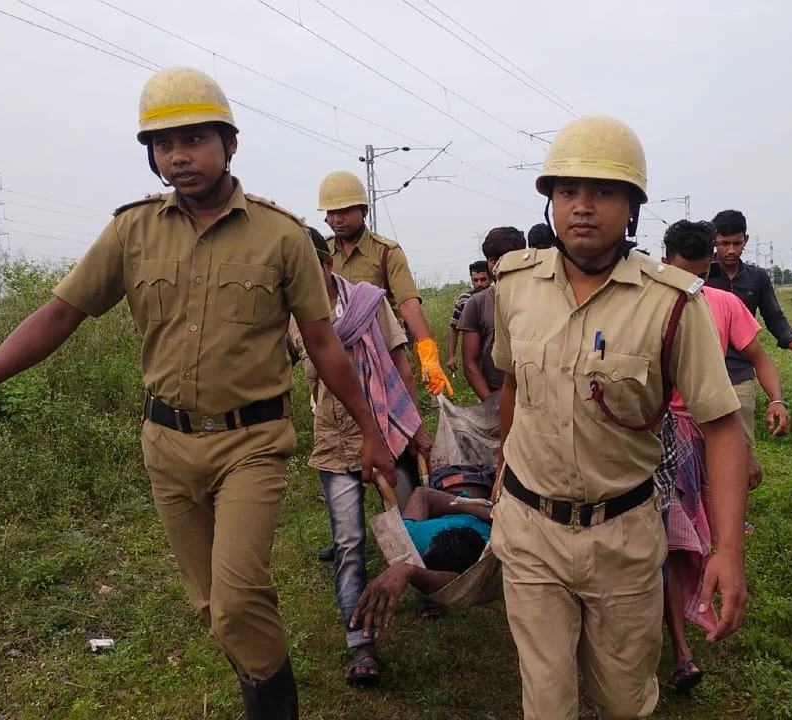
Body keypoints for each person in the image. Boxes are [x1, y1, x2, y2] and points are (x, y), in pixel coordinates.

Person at [0, 67, 396, 720]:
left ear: (231, 144)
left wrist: (371, 432)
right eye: (163, 143)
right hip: (166, 448)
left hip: (251, 445)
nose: (178, 155)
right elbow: (62, 313)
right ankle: (260, 671)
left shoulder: (281, 236)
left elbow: (322, 345)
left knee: (235, 602)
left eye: (195, 138)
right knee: (217, 611)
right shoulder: (131, 232)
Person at [491, 115, 751, 719]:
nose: (582, 207)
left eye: (604, 191)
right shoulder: (514, 285)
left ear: (632, 208)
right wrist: (503, 464)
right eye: (567, 191)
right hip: (531, 531)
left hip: (624, 536)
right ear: (551, 202)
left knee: (623, 702)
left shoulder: (672, 305)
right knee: (546, 704)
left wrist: (728, 549)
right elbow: (511, 386)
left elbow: (721, 426)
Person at [285, 233, 431, 686]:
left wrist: (416, 426)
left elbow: (400, 364)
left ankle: (429, 587)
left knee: (411, 522)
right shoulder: (290, 318)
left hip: (389, 431)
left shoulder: (369, 302)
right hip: (335, 439)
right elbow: (272, 369)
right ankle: (361, 645)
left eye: (308, 266)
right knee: (348, 543)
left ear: (327, 263)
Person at [654, 219, 792, 693]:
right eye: (682, 276)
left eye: (698, 276)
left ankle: (687, 634)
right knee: (670, 544)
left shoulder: (724, 303)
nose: (690, 287)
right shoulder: (644, 304)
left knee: (695, 544)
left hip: (707, 434)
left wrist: (775, 400)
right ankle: (679, 648)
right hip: (655, 439)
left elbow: (760, 357)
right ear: (665, 260)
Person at [316, 170, 452, 397]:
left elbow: (408, 303)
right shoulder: (321, 254)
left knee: (401, 420)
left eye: (345, 211)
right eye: (331, 213)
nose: (337, 219)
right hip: (337, 354)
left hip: (385, 354)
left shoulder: (386, 252)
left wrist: (428, 354)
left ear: (364, 211)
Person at [704, 211, 792, 425]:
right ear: (714, 241)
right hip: (702, 372)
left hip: (740, 371)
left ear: (746, 240)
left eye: (737, 243)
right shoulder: (702, 273)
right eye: (724, 243)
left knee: (739, 444)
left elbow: (774, 317)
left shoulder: (756, 277)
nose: (731, 250)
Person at [348, 486, 493, 634]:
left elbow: (422, 493)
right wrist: (489, 514)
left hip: (470, 498)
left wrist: (408, 571)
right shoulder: (416, 537)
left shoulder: (412, 537)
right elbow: (423, 493)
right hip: (464, 496)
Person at [457, 227, 525, 400]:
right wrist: (492, 404)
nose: (501, 264)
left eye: (508, 257)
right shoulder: (477, 303)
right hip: (496, 396)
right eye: (494, 259)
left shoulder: (541, 296)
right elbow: (470, 364)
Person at [446, 261, 492, 374]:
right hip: (474, 353)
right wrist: (451, 356)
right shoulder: (464, 299)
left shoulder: (497, 297)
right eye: (475, 280)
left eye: (483, 279)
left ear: (490, 279)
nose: (479, 284)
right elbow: (454, 329)